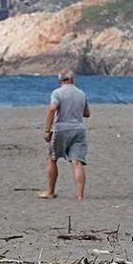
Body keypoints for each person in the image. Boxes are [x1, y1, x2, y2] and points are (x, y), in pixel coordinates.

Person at [39, 70, 90, 200]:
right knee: (77, 162)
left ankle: (50, 191)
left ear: (60, 80)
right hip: (78, 129)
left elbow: (52, 109)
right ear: (72, 79)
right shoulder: (81, 93)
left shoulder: (57, 93)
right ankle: (79, 195)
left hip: (61, 129)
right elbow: (87, 113)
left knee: (52, 158)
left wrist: (47, 130)